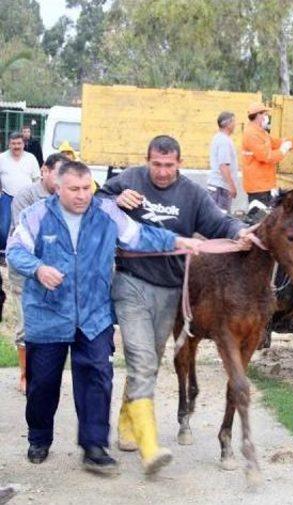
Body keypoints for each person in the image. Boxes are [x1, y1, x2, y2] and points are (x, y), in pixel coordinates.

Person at [6, 160, 202, 475]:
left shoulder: (106, 213)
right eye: (74, 189)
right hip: (47, 316)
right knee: (42, 383)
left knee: (98, 378)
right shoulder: (37, 215)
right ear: (58, 187)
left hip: (93, 315)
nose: (82, 195)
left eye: (87, 188)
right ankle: (39, 438)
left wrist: (179, 242)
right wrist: (38, 268)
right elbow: (15, 250)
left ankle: (95, 447)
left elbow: (140, 235)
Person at [96, 135, 249, 475]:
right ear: (147, 160)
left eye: (169, 165)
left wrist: (239, 231)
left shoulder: (192, 194)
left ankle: (126, 416)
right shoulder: (130, 179)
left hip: (170, 290)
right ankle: (147, 444)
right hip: (131, 281)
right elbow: (97, 200)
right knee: (141, 358)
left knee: (149, 360)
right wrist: (117, 198)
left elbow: (219, 222)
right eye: (156, 165)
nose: (162, 172)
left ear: (179, 163)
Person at [8, 153, 68, 395]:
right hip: (27, 271)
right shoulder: (26, 197)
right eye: (59, 173)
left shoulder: (67, 197)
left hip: (55, 272)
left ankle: (44, 375)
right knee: (26, 324)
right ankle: (25, 374)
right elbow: (24, 240)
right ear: (44, 170)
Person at [241, 102, 293, 207]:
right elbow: (266, 157)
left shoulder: (260, 132)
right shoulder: (251, 134)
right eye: (265, 114)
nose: (267, 117)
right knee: (260, 218)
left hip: (264, 185)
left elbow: (278, 143)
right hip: (258, 187)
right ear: (258, 115)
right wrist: (283, 150)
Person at [0, 132, 40, 259]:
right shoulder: (2, 158)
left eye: (19, 143)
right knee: (4, 227)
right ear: (9, 144)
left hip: (26, 198)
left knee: (24, 226)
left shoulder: (31, 158)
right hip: (7, 196)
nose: (16, 146)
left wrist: (35, 195)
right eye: (13, 143)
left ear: (24, 144)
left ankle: (21, 253)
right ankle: (2, 252)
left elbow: (37, 179)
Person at [207, 111, 239, 212]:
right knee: (221, 221)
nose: (235, 125)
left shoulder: (218, 138)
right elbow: (223, 165)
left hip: (218, 187)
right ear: (228, 124)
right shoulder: (224, 141)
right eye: (233, 122)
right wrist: (231, 186)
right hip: (220, 188)